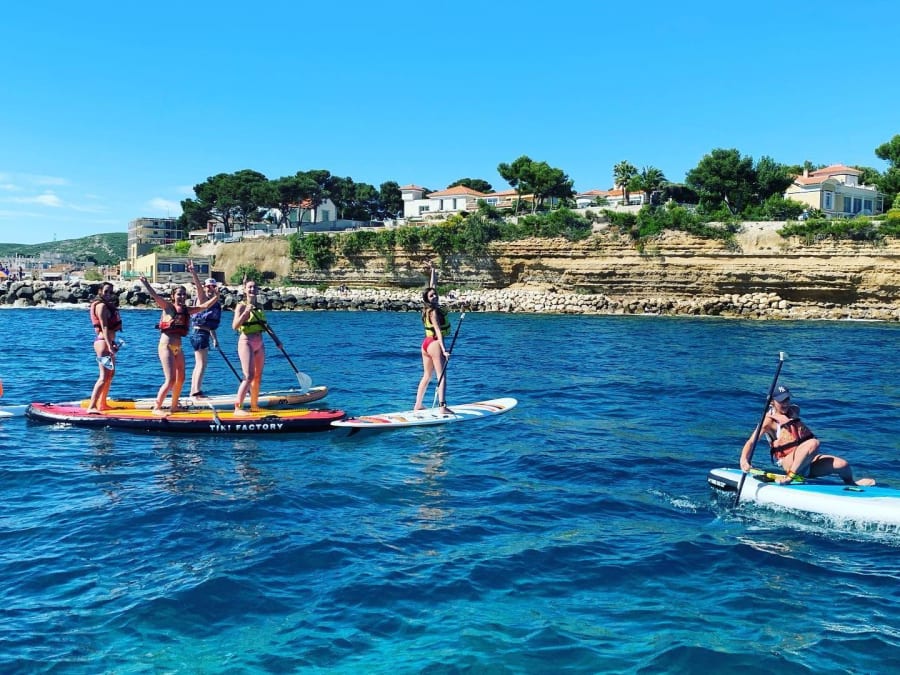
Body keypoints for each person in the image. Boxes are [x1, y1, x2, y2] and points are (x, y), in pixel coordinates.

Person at [740, 385, 875, 486]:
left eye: (787, 399)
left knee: (843, 465)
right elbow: (751, 442)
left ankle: (852, 484)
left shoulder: (793, 411)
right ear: (771, 402)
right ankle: (789, 477)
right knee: (814, 443)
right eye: (781, 401)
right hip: (789, 463)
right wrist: (744, 461)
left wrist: (783, 417)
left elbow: (796, 409)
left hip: (807, 461)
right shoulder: (768, 422)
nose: (785, 403)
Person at [139, 276, 219, 415]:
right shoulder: (168, 307)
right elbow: (155, 296)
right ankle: (157, 408)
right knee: (170, 380)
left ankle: (174, 406)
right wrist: (146, 283)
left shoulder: (187, 310)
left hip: (178, 348)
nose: (181, 297)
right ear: (173, 296)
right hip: (166, 346)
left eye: (183, 294)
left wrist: (216, 297)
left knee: (181, 378)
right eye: (178, 294)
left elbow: (205, 306)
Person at [414, 262, 452, 414]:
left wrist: (433, 271)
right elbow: (437, 330)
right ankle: (442, 407)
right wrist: (444, 350)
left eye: (435, 294)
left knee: (427, 375)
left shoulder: (427, 309)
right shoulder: (434, 312)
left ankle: (418, 404)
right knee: (441, 375)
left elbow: (432, 286)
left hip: (425, 344)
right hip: (435, 344)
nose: (435, 296)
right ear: (427, 299)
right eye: (432, 296)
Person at [232, 279, 268, 415]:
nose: (252, 289)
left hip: (260, 343)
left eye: (254, 287)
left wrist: (277, 340)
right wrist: (246, 312)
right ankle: (238, 408)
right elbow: (235, 326)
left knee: (258, 376)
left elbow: (265, 325)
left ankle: (254, 405)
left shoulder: (260, 306)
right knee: (249, 376)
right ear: (245, 290)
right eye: (250, 287)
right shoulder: (241, 306)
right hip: (246, 341)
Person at [187, 261, 222, 398]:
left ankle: (193, 391)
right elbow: (198, 287)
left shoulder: (214, 302)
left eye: (213, 287)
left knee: (199, 364)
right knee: (202, 364)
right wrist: (194, 272)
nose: (210, 289)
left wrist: (215, 339)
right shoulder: (202, 299)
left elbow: (210, 323)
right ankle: (196, 392)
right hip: (199, 334)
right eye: (208, 287)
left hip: (202, 333)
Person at [86, 282, 122, 412]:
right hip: (102, 343)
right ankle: (92, 406)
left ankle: (102, 403)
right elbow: (105, 327)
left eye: (110, 292)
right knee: (103, 376)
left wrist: (112, 344)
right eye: (106, 291)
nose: (108, 295)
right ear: (100, 291)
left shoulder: (107, 306)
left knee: (110, 374)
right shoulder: (101, 306)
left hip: (108, 343)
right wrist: (109, 345)